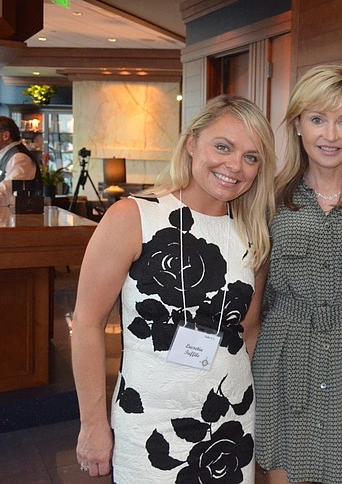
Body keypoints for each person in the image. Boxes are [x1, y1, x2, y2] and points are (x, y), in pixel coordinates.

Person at [71, 95, 276, 482]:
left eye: (251, 157)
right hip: (150, 422)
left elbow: (248, 331)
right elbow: (86, 322)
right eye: (223, 146)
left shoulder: (254, 233)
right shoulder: (133, 216)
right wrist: (93, 423)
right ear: (191, 143)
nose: (234, 165)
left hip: (230, 422)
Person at [252, 64, 342, 484]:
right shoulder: (273, 195)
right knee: (280, 465)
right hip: (284, 350)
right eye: (318, 119)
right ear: (298, 123)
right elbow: (256, 285)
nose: (330, 135)